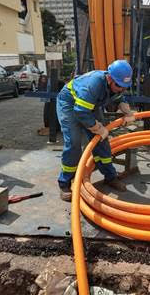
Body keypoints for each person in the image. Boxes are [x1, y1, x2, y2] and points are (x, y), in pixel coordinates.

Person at [56, 60, 135, 201]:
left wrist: (127, 111)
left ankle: (110, 177)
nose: (121, 89)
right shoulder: (94, 84)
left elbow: (119, 96)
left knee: (102, 142)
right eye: (119, 86)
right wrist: (98, 128)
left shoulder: (115, 84)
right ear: (109, 78)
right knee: (74, 143)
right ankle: (65, 183)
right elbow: (80, 111)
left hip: (89, 105)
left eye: (125, 87)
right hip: (69, 103)